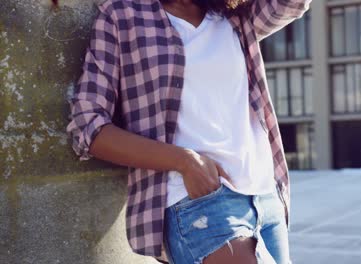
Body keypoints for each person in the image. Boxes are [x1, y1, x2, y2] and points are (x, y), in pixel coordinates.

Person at [66, 0, 311, 263]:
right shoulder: (123, 15)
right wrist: (184, 161)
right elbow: (87, 126)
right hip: (198, 201)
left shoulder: (235, 17)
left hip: (265, 196)